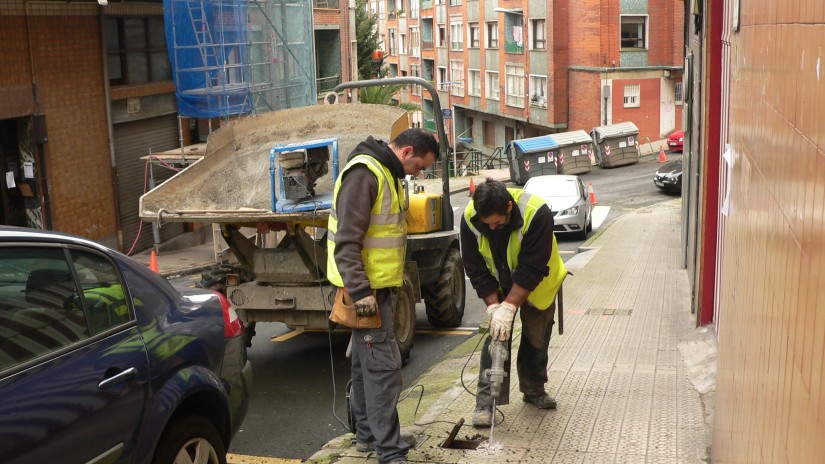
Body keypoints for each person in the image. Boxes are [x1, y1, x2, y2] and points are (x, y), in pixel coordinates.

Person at [326, 128, 439, 464]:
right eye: (420, 166)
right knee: (384, 370)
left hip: (377, 287)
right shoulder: (366, 174)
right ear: (406, 152)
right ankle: (388, 452)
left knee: (365, 364)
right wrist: (361, 293)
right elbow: (347, 243)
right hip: (366, 292)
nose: (419, 173)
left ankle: (367, 436)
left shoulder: (384, 171)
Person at [460, 178, 567, 427]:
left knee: (536, 337)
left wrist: (510, 307)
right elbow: (474, 267)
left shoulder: (536, 213)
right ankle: (486, 402)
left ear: (509, 207)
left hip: (536, 283)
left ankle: (533, 389)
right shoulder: (470, 218)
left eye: (497, 223)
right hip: (499, 280)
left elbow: (532, 267)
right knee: (496, 336)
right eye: (487, 224)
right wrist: (494, 306)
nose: (493, 228)